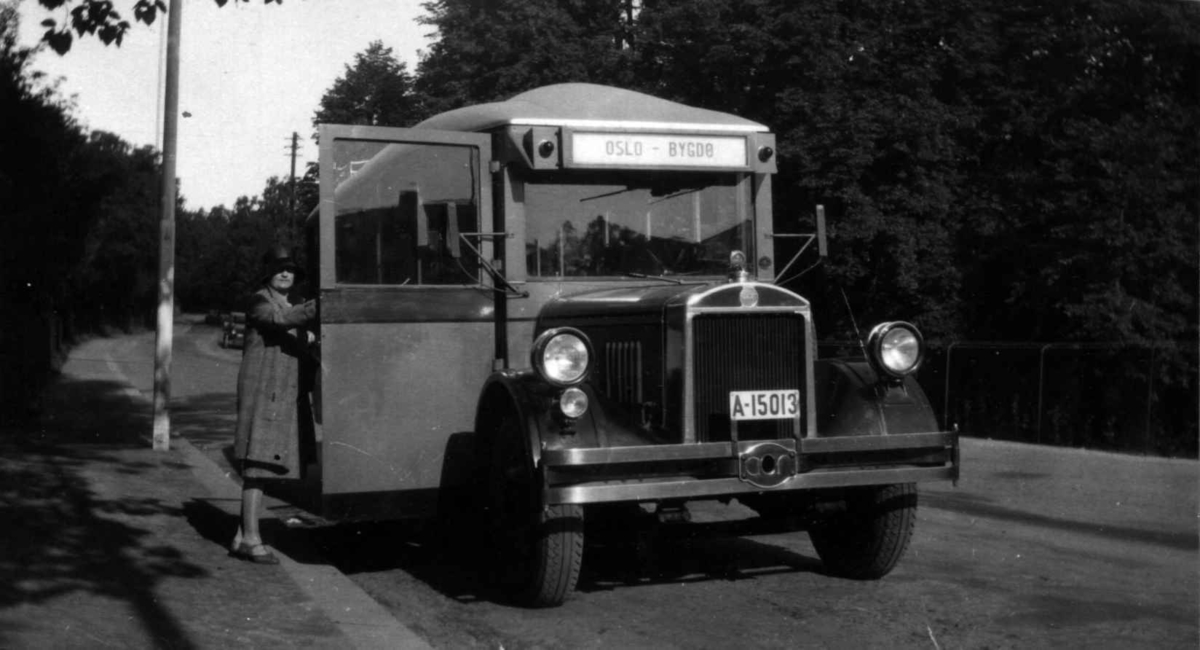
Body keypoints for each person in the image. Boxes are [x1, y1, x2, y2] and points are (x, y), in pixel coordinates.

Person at [229, 245, 318, 564]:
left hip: (280, 394)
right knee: (257, 466)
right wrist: (317, 308)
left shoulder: (291, 304)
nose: (285, 274)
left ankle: (243, 534)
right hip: (263, 392)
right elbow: (279, 320)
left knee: (262, 465)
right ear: (268, 273)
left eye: (291, 270)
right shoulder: (260, 301)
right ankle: (251, 539)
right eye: (280, 268)